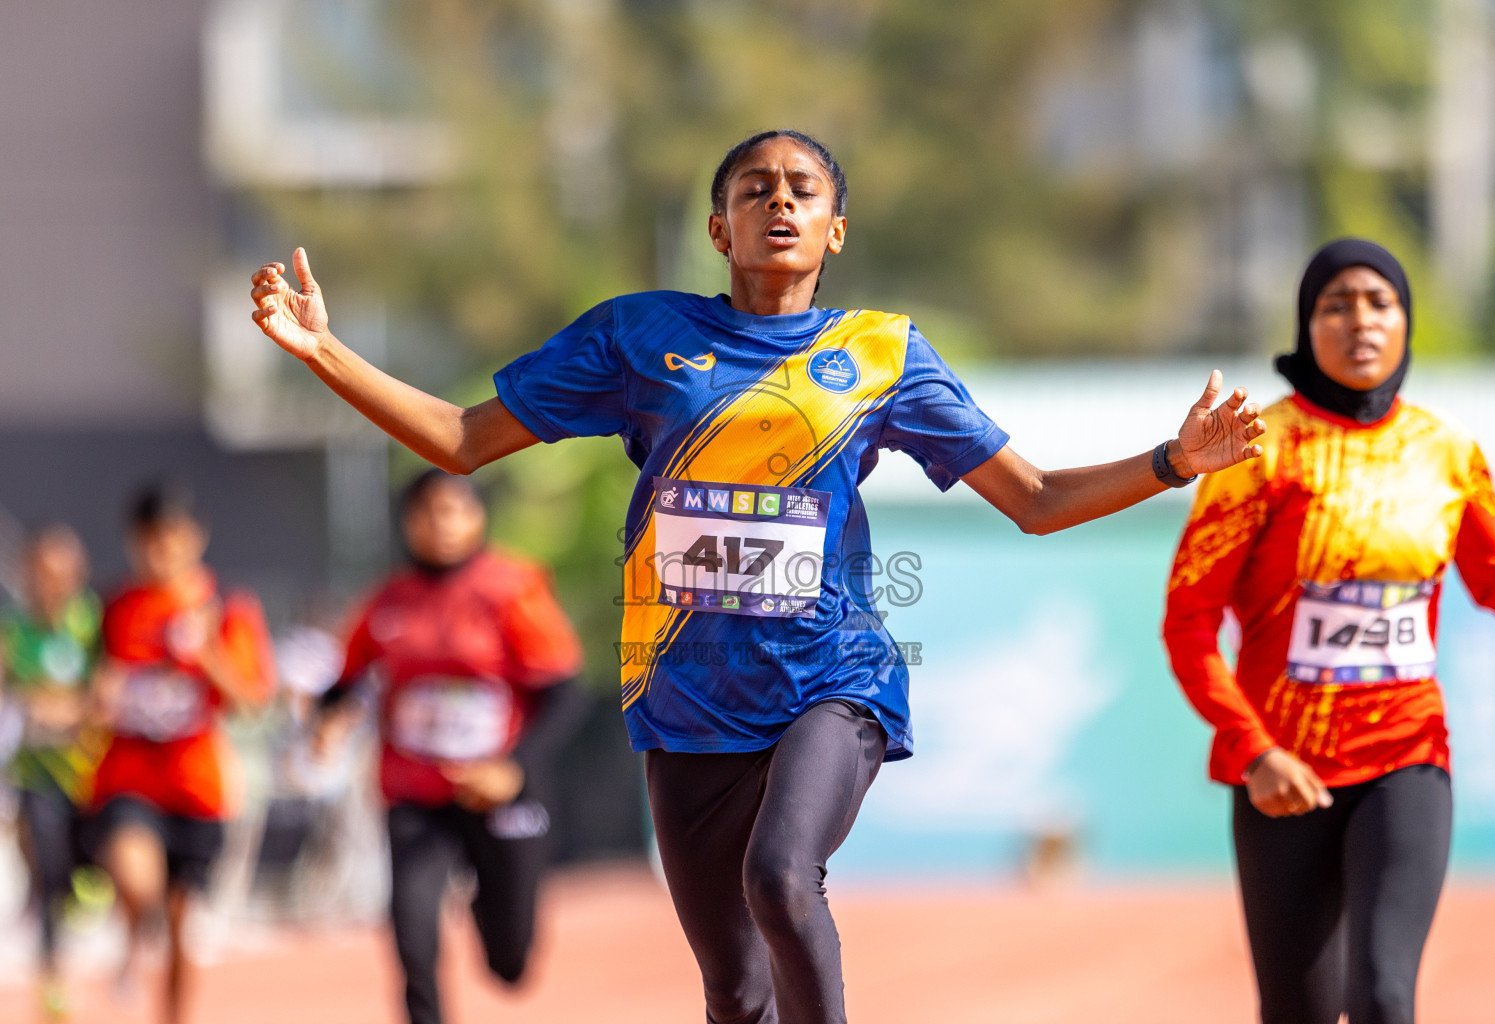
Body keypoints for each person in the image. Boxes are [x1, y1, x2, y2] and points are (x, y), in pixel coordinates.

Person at [251, 128, 1266, 1024]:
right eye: (754, 188)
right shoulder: (640, 338)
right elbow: (465, 440)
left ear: (834, 231)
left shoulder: (882, 354)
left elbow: (1035, 497)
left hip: (832, 677)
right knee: (735, 995)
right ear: (717, 228)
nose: (779, 200)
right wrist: (322, 351)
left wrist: (1173, 460)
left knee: (782, 876)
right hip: (687, 698)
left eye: (802, 189)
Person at [1163, 238, 1495, 1024]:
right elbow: (1189, 623)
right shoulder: (1256, 450)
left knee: (1383, 996)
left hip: (1406, 756)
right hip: (1282, 770)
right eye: (1336, 305)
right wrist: (1254, 751)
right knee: (1297, 1009)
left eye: (1379, 302)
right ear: (1308, 326)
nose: (1359, 321)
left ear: (1405, 322)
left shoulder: (1447, 452)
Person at [311, 468, 587, 1024]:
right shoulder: (387, 601)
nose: (442, 524)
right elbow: (342, 683)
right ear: (408, 522)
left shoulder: (511, 590)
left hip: (500, 791)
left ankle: (491, 904)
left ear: (478, 516)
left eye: (455, 510)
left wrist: (513, 768)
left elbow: (565, 695)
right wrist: (329, 719)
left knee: (511, 964)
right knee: (412, 933)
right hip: (416, 795)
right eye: (428, 512)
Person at [87, 483, 275, 1024]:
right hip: (129, 777)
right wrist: (101, 693)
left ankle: (172, 1016)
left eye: (172, 540)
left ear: (196, 538)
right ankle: (127, 943)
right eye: (148, 541)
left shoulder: (228, 606)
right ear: (132, 542)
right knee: (134, 875)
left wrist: (207, 651)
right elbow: (92, 687)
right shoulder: (114, 607)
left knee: (179, 921)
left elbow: (252, 701)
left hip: (196, 785)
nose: (160, 553)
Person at [0, 525, 101, 1020]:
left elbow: (110, 691)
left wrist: (72, 710)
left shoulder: (94, 623)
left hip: (99, 777)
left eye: (61, 575)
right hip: (38, 778)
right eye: (41, 574)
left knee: (100, 877)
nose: (51, 585)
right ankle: (53, 981)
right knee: (48, 874)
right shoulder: (12, 631)